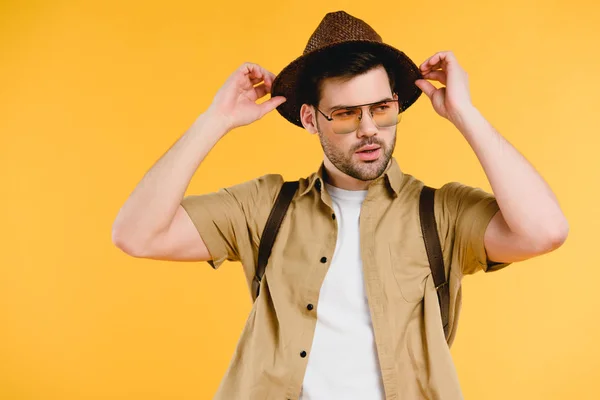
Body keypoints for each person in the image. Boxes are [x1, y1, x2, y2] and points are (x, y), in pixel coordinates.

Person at [112, 10, 568, 400]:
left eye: (382, 109)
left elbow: (545, 231)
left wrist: (466, 114)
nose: (369, 129)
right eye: (347, 113)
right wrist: (215, 122)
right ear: (311, 119)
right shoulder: (265, 206)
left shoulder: (440, 213)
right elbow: (137, 234)